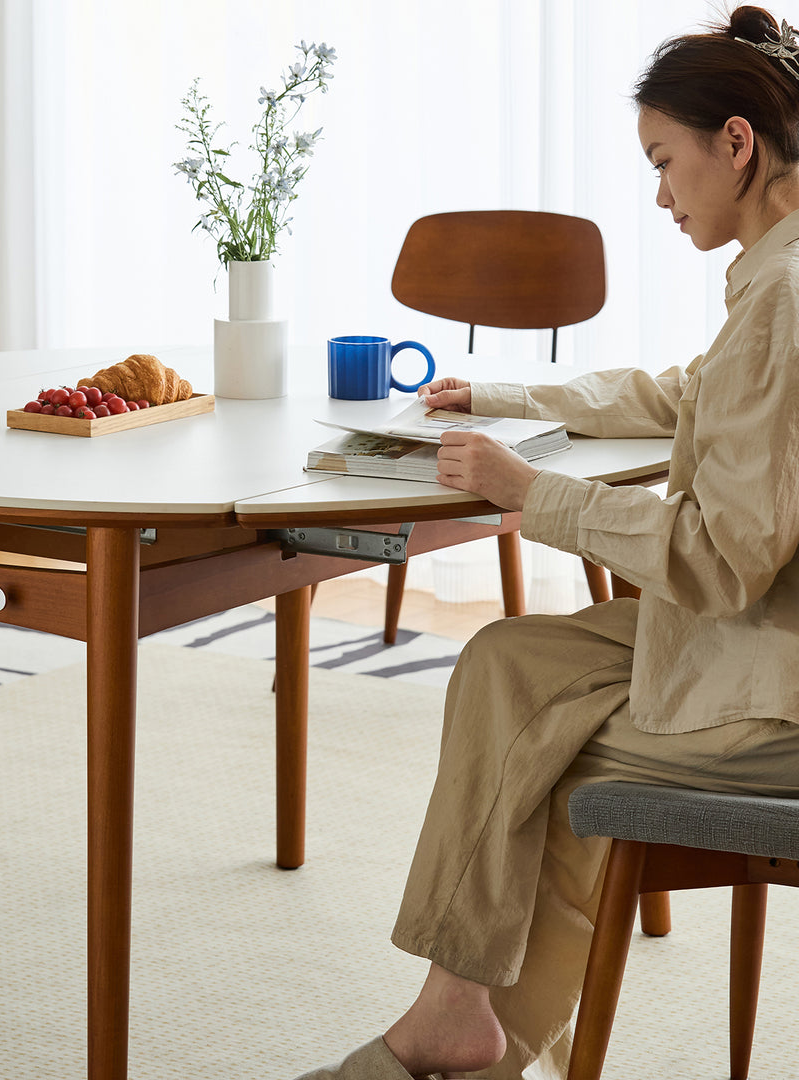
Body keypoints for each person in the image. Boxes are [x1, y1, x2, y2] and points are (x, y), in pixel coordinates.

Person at [292, 6, 799, 1079]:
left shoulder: (786, 300)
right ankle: (467, 1023)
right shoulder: (777, 278)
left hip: (775, 693)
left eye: (666, 162)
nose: (660, 195)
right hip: (763, 639)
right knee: (508, 663)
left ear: (738, 143)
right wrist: (513, 392)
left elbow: (721, 559)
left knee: (532, 730)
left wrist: (536, 495)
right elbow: (685, 394)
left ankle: (461, 1027)